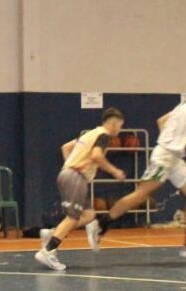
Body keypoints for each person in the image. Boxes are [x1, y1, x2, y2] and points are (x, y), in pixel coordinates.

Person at [93, 77, 186, 259]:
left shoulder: (183, 106)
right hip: (165, 157)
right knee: (141, 194)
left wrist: (169, 141)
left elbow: (161, 121)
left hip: (173, 157)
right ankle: (102, 224)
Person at [34, 108, 127, 271]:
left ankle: (53, 233)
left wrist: (70, 166)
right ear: (114, 124)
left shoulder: (89, 134)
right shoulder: (103, 136)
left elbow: (65, 147)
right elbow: (97, 156)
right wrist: (115, 171)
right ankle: (48, 251)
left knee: (89, 215)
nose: (119, 129)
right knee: (72, 217)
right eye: (120, 126)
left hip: (70, 175)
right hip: (75, 177)